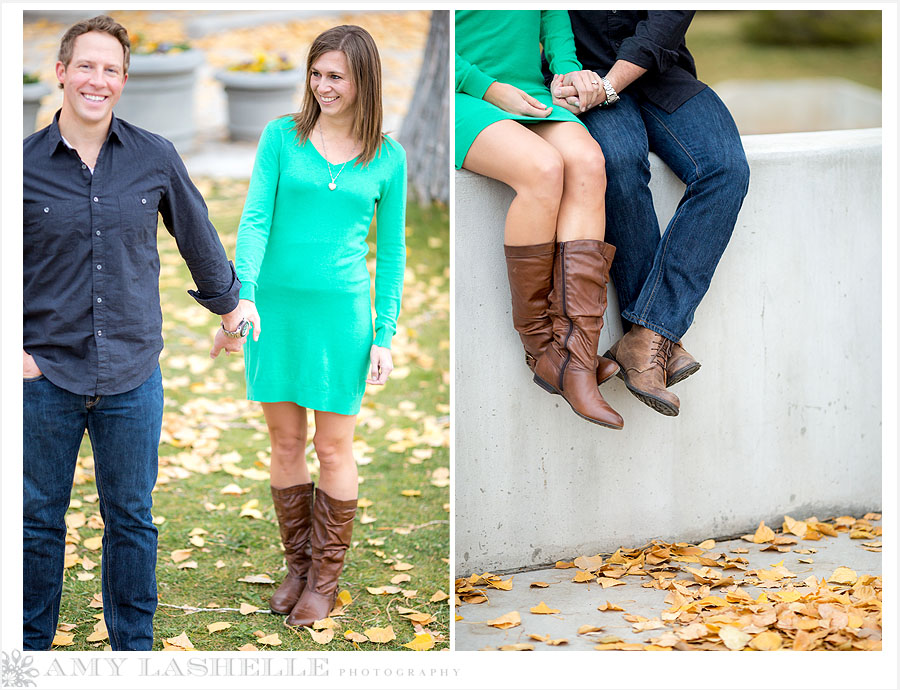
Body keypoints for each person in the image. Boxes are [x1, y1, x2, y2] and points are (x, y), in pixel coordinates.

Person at [22, 15, 244, 651]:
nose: (97, 80)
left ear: (124, 80)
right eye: (85, 66)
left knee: (131, 519)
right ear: (61, 73)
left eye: (110, 69)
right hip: (45, 376)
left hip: (131, 372)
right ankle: (30, 651)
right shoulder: (23, 165)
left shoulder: (154, 155)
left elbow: (197, 235)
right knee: (37, 522)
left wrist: (230, 311)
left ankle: (133, 653)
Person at [224, 25, 407, 627]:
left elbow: (394, 253)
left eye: (337, 76)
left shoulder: (389, 156)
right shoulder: (282, 136)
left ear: (363, 81)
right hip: (273, 313)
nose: (323, 86)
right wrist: (242, 293)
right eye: (317, 73)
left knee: (332, 446)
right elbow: (254, 219)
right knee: (283, 443)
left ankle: (324, 581)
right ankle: (297, 565)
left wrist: (384, 333)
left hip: (341, 319)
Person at [547, 10, 751, 416]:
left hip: (661, 70)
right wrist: (574, 77)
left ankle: (647, 335)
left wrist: (610, 86)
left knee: (726, 168)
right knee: (618, 163)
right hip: (581, 75)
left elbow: (667, 20)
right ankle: (656, 344)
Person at [456, 10, 623, 430]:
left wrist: (566, 74)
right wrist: (489, 89)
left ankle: (577, 354)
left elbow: (555, 23)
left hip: (530, 92)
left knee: (587, 161)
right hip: (462, 94)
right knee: (543, 169)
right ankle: (541, 348)